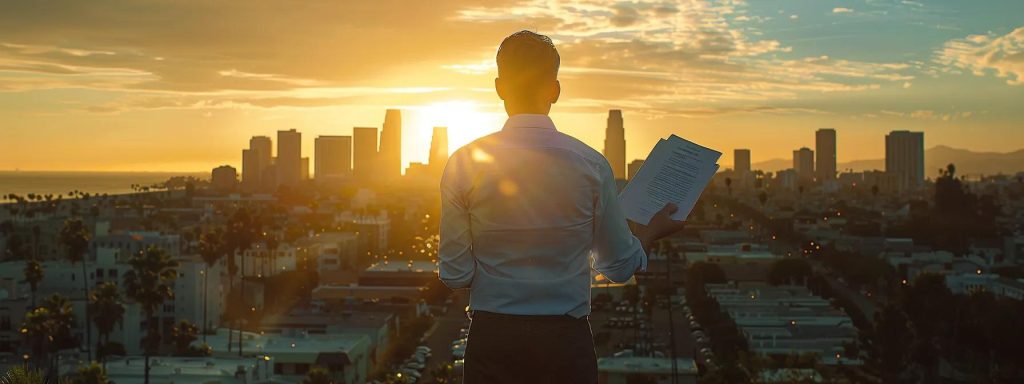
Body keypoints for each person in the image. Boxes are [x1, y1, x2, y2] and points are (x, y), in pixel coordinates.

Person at [438, 30, 686, 384]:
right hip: (565, 345)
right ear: (554, 90)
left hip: (492, 342)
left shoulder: (463, 163)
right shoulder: (591, 164)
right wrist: (650, 234)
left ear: (499, 88)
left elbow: (455, 274)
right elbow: (618, 268)